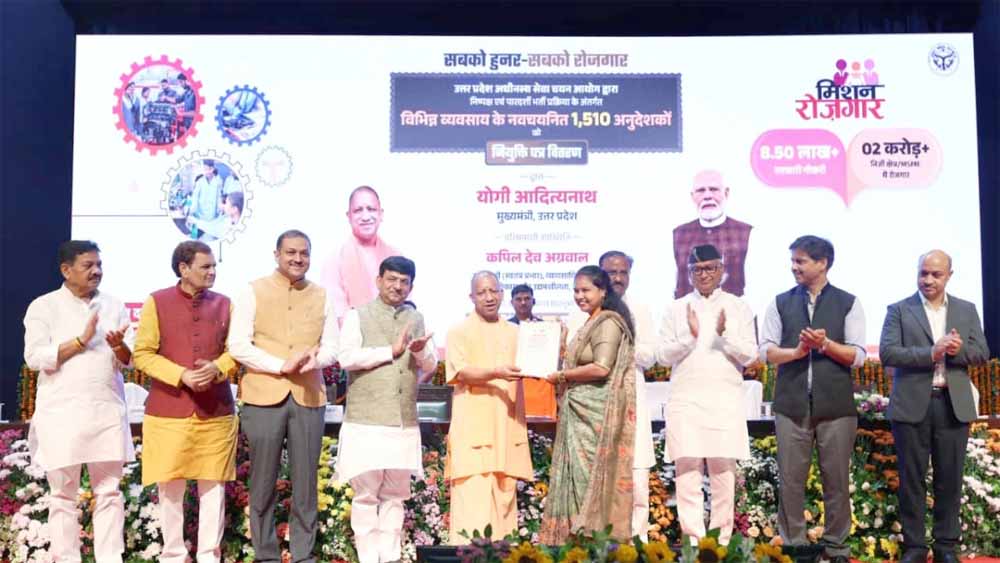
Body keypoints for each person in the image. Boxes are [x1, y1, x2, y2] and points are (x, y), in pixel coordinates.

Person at [228, 230, 340, 563]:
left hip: (308, 396)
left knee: (305, 482)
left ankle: (303, 555)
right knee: (262, 481)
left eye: (304, 253)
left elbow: (332, 347)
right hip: (263, 396)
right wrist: (281, 366)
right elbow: (238, 345)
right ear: (276, 254)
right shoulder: (252, 291)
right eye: (290, 252)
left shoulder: (322, 295)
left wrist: (312, 362)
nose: (297, 259)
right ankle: (266, 555)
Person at [23, 240, 134, 563]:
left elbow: (129, 361)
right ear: (66, 270)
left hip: (106, 410)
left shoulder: (114, 305)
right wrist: (81, 341)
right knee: (62, 496)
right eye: (88, 265)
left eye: (99, 264)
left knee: (109, 493)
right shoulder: (43, 306)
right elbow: (34, 357)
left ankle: (110, 558)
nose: (96, 271)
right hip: (61, 414)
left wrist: (118, 346)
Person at [759, 235, 865, 563]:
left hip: (836, 406)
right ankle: (796, 547)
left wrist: (825, 346)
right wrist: (797, 351)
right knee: (791, 480)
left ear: (822, 263)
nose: (794, 267)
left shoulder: (848, 302)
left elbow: (858, 356)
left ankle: (836, 548)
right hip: (791, 405)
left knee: (836, 481)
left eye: (800, 261)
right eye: (793, 261)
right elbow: (766, 351)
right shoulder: (779, 302)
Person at [879, 250, 989, 563]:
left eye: (935, 274)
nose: (928, 280)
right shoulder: (899, 310)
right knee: (911, 479)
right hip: (912, 404)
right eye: (923, 273)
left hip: (953, 405)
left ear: (949, 276)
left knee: (949, 479)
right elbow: (888, 353)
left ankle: (945, 547)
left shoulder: (966, 309)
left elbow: (982, 352)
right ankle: (915, 547)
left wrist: (956, 351)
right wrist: (932, 352)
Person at [132, 241, 238, 563]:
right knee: (171, 488)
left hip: (216, 410)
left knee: (213, 488)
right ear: (183, 268)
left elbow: (237, 351)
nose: (212, 272)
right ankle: (173, 555)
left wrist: (218, 368)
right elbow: (142, 354)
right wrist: (182, 375)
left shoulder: (225, 304)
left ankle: (208, 556)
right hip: (168, 410)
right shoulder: (157, 301)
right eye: (206, 267)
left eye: (214, 266)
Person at [335, 256, 437, 563]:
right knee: (366, 496)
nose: (397, 286)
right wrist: (389, 352)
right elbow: (346, 358)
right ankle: (368, 558)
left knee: (395, 496)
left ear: (411, 286)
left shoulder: (416, 318)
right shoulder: (358, 315)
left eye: (404, 282)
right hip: (366, 421)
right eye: (391, 279)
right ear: (379, 280)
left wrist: (419, 353)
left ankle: (390, 557)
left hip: (403, 421)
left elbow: (430, 365)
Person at [655, 245, 757, 544]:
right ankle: (693, 542)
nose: (704, 275)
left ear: (721, 270)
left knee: (723, 472)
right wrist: (691, 337)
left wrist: (724, 335)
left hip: (724, 400)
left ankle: (721, 542)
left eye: (710, 268)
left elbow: (750, 355)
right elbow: (662, 356)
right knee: (687, 471)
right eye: (697, 270)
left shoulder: (738, 306)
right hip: (685, 399)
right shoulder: (677, 308)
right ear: (688, 273)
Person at [539, 265, 637, 544]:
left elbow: (601, 368)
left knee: (588, 481)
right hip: (578, 412)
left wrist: (562, 376)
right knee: (576, 480)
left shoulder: (608, 322)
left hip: (594, 417)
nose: (579, 296)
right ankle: (573, 544)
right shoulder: (590, 321)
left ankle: (592, 545)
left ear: (603, 291)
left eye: (586, 290)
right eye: (576, 291)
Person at [445, 271, 533, 544]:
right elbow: (461, 372)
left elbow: (535, 364)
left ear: (502, 294)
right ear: (471, 297)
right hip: (474, 431)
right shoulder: (459, 332)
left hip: (506, 427)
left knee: (505, 502)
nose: (489, 297)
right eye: (482, 292)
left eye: (493, 291)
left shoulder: (516, 333)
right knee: (473, 504)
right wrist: (495, 372)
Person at [597, 251, 656, 539]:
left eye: (623, 272)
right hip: (596, 399)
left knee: (637, 476)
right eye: (612, 272)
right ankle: (599, 541)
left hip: (632, 399)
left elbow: (650, 355)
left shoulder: (640, 310)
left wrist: (617, 349)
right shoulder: (584, 309)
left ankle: (638, 542)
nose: (618, 278)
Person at [321, 186, 400, 325]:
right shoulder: (335, 260)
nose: (365, 217)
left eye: (371, 209)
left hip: (394, 334)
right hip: (351, 335)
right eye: (358, 210)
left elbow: (407, 307)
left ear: (381, 214)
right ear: (349, 216)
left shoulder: (396, 256)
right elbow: (336, 314)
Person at [672, 170, 753, 298]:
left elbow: (754, 291)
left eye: (714, 189)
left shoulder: (746, 233)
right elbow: (669, 288)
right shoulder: (677, 235)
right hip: (687, 310)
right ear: (692, 196)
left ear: (726, 193)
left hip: (733, 310)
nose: (707, 196)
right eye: (701, 190)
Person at [507, 284, 556, 419]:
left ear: (533, 301)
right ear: (512, 302)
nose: (523, 302)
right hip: (514, 381)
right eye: (518, 299)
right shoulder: (505, 327)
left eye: (527, 299)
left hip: (538, 383)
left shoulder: (545, 327)